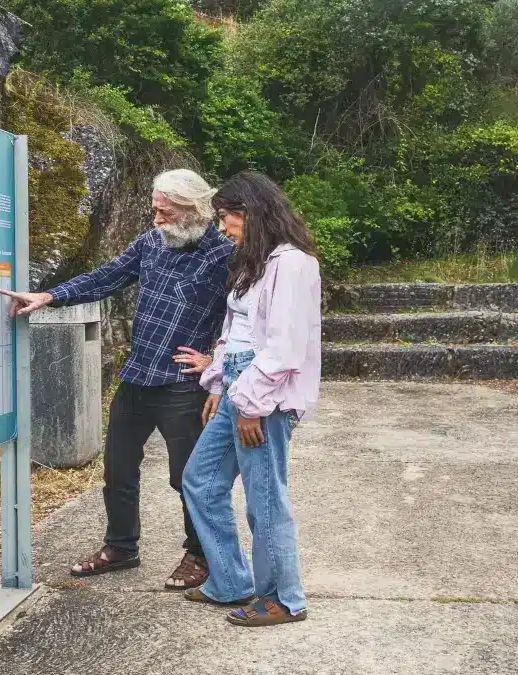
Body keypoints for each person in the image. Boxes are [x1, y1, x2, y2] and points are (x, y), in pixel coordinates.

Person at [0, 169, 232, 591]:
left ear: (194, 209)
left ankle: (199, 553)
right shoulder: (151, 243)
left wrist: (217, 358)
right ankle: (121, 547)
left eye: (165, 212)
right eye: (155, 210)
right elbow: (105, 277)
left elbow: (246, 316)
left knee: (188, 477)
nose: (156, 220)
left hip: (182, 382)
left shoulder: (225, 255)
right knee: (118, 470)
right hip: (138, 374)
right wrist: (49, 296)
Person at [180, 170, 322, 627]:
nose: (223, 227)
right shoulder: (252, 262)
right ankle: (230, 581)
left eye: (228, 216)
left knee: (264, 498)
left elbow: (284, 348)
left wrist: (250, 404)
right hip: (239, 385)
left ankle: (283, 598)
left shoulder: (293, 264)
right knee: (201, 481)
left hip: (266, 394)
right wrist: (220, 385)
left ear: (253, 211)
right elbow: (235, 332)